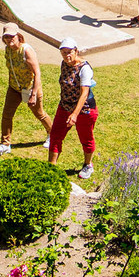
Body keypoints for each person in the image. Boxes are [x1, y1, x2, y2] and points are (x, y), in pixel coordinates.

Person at [0, 25, 45, 155]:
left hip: (30, 88)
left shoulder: (26, 51)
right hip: (14, 88)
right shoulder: (8, 50)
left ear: (18, 36)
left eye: (12, 36)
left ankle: (51, 134)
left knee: (40, 114)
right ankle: (5, 144)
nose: (9, 39)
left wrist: (33, 94)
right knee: (7, 115)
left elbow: (37, 73)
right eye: (6, 37)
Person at [47, 38, 97, 180]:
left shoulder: (84, 69)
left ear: (76, 51)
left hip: (84, 110)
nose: (67, 55)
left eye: (69, 52)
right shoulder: (64, 63)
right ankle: (51, 168)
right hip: (65, 106)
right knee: (55, 136)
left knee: (86, 138)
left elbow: (84, 93)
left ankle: (88, 164)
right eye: (63, 53)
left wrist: (75, 114)